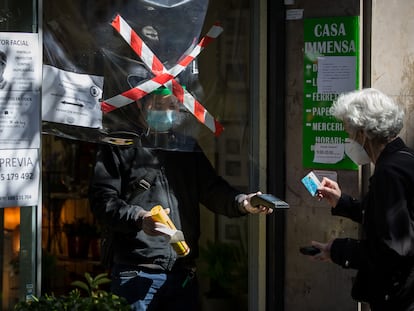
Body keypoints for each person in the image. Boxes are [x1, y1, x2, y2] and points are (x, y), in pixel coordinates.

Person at [88, 87, 273, 311]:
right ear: (140, 105)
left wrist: (242, 202)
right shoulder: (118, 146)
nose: (167, 111)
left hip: (182, 273)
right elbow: (102, 200)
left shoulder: (186, 147)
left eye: (173, 106)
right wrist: (139, 218)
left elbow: (212, 189)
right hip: (137, 273)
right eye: (159, 105)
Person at [309, 88, 414, 310]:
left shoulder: (389, 173)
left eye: (349, 132)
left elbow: (392, 249)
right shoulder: (404, 161)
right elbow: (386, 219)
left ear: (363, 133)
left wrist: (337, 250)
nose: (349, 139)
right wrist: (342, 202)